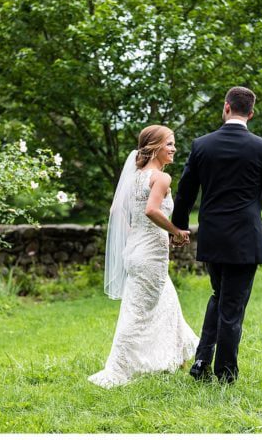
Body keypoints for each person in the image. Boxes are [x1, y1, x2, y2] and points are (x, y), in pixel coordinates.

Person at [171, 86, 262, 384]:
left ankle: (200, 360)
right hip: (245, 238)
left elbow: (185, 192)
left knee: (219, 296)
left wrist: (179, 227)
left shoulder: (202, 145)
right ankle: (225, 373)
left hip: (213, 234)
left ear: (226, 108)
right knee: (232, 305)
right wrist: (252, 192)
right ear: (251, 112)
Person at [89, 125, 199, 388]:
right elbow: (151, 210)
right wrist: (176, 230)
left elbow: (117, 210)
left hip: (136, 251)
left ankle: (177, 356)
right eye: (169, 144)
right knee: (137, 313)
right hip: (150, 254)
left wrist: (135, 235)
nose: (174, 149)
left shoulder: (136, 176)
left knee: (167, 300)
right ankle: (118, 369)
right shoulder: (161, 178)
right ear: (155, 147)